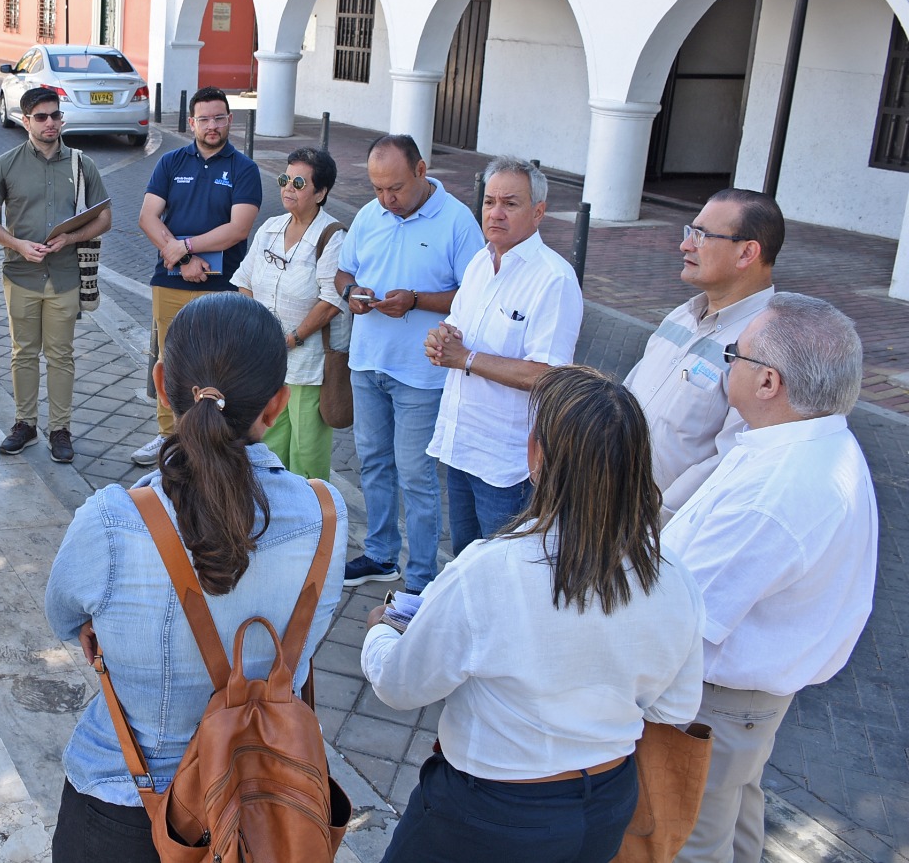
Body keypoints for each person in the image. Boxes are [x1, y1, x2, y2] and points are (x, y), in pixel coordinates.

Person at [45, 292, 348, 861]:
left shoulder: (112, 520)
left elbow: (64, 616)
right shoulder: (325, 514)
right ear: (277, 404)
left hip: (125, 804)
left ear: (162, 384)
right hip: (267, 814)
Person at [362, 365, 705, 863]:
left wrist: (379, 635)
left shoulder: (491, 567)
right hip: (608, 802)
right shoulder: (674, 577)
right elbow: (673, 708)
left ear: (536, 454)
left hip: (492, 812)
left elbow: (400, 686)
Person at [663, 293, 876, 863]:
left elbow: (682, 615)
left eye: (736, 354)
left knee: (687, 835)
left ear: (768, 384)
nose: (726, 362)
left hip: (715, 700)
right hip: (746, 701)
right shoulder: (809, 439)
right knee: (732, 818)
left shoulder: (775, 492)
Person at [335, 135, 482, 591]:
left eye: (395, 188)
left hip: (422, 372)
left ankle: (420, 576)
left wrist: (416, 301)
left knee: (416, 474)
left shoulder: (457, 221)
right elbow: (344, 271)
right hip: (367, 361)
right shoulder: (369, 214)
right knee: (374, 462)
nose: (386, 200)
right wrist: (350, 294)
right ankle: (380, 555)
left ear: (421, 171)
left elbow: (474, 294)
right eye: (377, 189)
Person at [424, 156, 583, 553]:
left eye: (510, 204)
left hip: (508, 463)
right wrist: (442, 340)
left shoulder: (554, 279)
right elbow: (458, 331)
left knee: (503, 574)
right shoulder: (481, 261)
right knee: (465, 563)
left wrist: (466, 359)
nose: (495, 213)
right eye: (490, 201)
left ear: (539, 212)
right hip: (462, 444)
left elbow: (549, 375)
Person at [624, 188, 782, 517]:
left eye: (701, 236)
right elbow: (626, 397)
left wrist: (654, 521)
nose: (685, 245)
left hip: (658, 535)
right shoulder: (682, 315)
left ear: (747, 253)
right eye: (689, 232)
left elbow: (733, 458)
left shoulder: (765, 346)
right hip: (609, 505)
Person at [132, 87, 263, 466]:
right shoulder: (171, 162)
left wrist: (185, 246)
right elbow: (147, 217)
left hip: (223, 285)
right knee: (168, 359)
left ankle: (215, 440)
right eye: (204, 119)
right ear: (192, 122)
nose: (212, 125)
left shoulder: (244, 169)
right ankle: (167, 438)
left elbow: (238, 228)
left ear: (229, 121)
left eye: (219, 118)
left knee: (218, 362)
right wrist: (180, 258)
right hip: (170, 279)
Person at [0, 86, 111, 462]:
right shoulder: (5, 164)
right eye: (41, 117)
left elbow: (105, 217)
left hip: (65, 276)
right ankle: (25, 424)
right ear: (26, 121)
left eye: (55, 115)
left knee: (61, 355)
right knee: (23, 353)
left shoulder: (82, 164)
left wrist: (71, 237)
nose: (50, 122)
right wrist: (18, 244)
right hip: (20, 273)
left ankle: (60, 429)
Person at [231, 147, 348, 480]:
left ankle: (313, 519)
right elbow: (245, 280)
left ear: (321, 192)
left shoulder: (332, 236)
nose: (287, 188)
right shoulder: (271, 227)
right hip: (268, 359)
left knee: (307, 451)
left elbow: (330, 299)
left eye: (298, 182)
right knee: (269, 443)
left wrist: (292, 339)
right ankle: (275, 511)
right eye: (285, 179)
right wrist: (260, 332)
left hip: (307, 364)